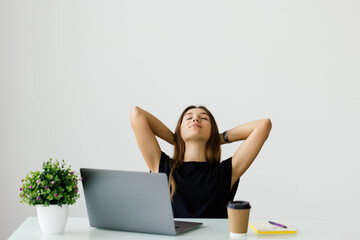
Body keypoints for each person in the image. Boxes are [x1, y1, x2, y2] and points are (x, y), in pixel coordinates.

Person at [130, 105, 272, 218]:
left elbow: (263, 126)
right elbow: (137, 114)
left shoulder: (224, 173)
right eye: (189, 117)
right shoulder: (164, 168)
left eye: (204, 118)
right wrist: (176, 139)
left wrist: (218, 138)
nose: (195, 119)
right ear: (180, 130)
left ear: (212, 131)